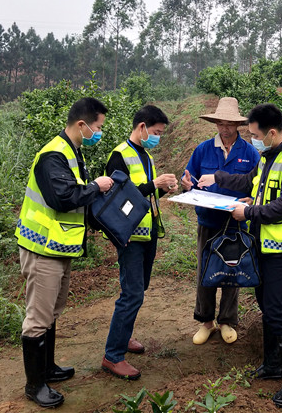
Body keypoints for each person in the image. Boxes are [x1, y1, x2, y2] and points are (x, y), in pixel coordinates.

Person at [198, 103, 282, 409]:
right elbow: (249, 182)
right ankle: (273, 363)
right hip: (263, 245)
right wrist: (218, 178)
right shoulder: (268, 157)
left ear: (272, 133)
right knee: (266, 305)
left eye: (254, 135)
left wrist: (248, 211)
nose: (252, 140)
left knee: (277, 310)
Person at [15, 97, 114, 408]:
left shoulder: (72, 151)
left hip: (58, 247)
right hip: (41, 248)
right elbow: (63, 197)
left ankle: (47, 369)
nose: (99, 132)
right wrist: (96, 186)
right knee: (38, 317)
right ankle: (34, 386)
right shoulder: (53, 155)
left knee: (51, 311)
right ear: (82, 125)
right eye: (98, 127)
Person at [101, 105, 177, 380]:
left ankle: (124, 335)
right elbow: (118, 197)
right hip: (130, 236)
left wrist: (162, 188)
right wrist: (154, 184)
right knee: (132, 293)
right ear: (142, 127)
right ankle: (113, 356)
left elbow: (146, 195)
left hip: (148, 234)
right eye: (156, 132)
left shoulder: (146, 155)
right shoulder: (119, 155)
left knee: (138, 288)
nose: (158, 137)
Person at [179, 97, 260, 346]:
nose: (224, 129)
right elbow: (189, 177)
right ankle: (206, 321)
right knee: (206, 269)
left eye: (229, 124)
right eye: (220, 124)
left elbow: (258, 184)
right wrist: (186, 183)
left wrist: (251, 199)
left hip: (235, 222)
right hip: (208, 220)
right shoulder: (203, 149)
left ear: (237, 125)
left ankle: (227, 320)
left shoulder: (249, 152)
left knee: (231, 270)